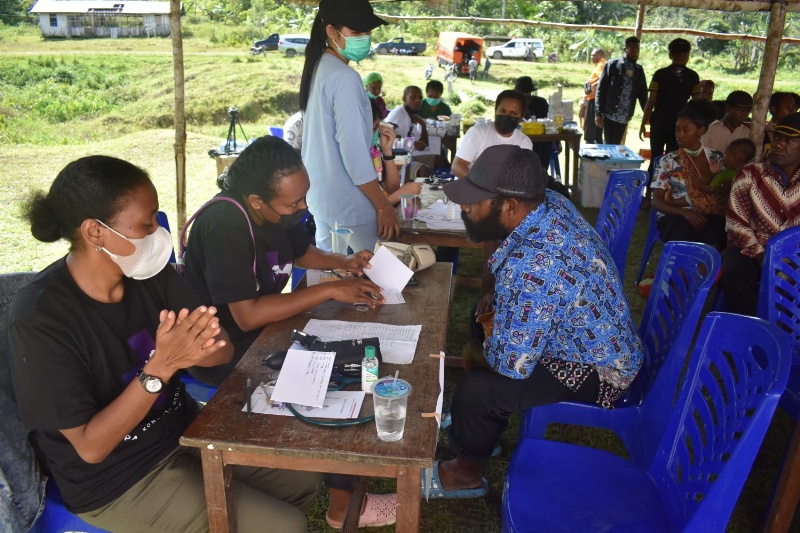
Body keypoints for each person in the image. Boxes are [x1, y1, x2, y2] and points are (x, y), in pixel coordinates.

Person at [8, 155, 321, 533]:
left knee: (304, 478)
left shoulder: (150, 275)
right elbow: (91, 447)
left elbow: (219, 348)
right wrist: (160, 368)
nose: (158, 234)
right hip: (117, 478)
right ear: (95, 232)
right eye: (145, 224)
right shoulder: (41, 319)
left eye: (156, 219)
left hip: (181, 430)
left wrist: (194, 349)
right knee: (284, 526)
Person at [182, 137, 397, 529]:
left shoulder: (280, 216)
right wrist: (329, 287)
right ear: (256, 201)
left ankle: (347, 487)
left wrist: (343, 262)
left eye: (304, 199)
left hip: (267, 330)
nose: (303, 208)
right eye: (293, 204)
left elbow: (299, 252)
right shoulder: (224, 224)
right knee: (334, 380)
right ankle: (344, 505)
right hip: (225, 350)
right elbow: (245, 316)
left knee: (352, 358)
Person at [430, 145, 643, 498]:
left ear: (510, 206)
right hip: (594, 340)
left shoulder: (533, 267)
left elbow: (511, 366)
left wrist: (477, 352)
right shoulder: (549, 203)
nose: (464, 206)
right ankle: (478, 432)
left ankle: (464, 474)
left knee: (477, 390)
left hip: (599, 371)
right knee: (482, 314)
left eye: (474, 200)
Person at [299, 0, 400, 253]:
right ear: (332, 32)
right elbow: (354, 155)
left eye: (367, 32)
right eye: (357, 32)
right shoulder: (345, 78)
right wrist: (383, 206)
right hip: (351, 203)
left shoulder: (319, 67)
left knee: (332, 278)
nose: (364, 38)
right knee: (378, 278)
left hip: (323, 198)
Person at [721, 112, 800, 316]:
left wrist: (789, 261)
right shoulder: (750, 175)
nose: (779, 144)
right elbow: (736, 223)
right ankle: (752, 322)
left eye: (789, 140)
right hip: (752, 249)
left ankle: (787, 326)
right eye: (778, 138)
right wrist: (763, 256)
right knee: (735, 272)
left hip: (794, 254)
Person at [650, 101, 728, 251]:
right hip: (675, 216)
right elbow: (657, 202)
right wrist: (683, 211)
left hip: (709, 214)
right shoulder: (669, 161)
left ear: (701, 131)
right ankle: (679, 274)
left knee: (718, 232)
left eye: (685, 130)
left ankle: (707, 273)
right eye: (677, 129)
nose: (679, 134)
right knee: (684, 231)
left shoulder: (716, 158)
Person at [639, 38, 700, 176]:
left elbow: (651, 102)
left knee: (656, 157)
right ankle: (668, 191)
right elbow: (696, 103)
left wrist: (643, 122)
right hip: (680, 125)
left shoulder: (660, 74)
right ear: (687, 55)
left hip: (659, 122)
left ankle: (649, 191)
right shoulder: (693, 76)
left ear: (670, 55)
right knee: (673, 158)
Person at [451, 90, 533, 179]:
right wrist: (481, 184)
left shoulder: (524, 142)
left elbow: (520, 175)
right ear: (495, 111)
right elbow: (458, 166)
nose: (506, 116)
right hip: (470, 186)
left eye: (513, 113)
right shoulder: (478, 132)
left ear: (521, 117)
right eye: (502, 111)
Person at [595, 36, 648, 145]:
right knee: (609, 145)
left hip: (625, 117)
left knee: (616, 145)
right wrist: (598, 112)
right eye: (632, 49)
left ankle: (613, 162)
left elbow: (643, 95)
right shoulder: (612, 64)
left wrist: (648, 115)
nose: (635, 53)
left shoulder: (638, 70)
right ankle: (607, 162)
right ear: (625, 49)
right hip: (610, 113)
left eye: (637, 50)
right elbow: (601, 89)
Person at [370, 99, 422, 205]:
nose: (375, 133)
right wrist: (401, 193)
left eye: (377, 128)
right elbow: (370, 210)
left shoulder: (373, 154)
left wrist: (387, 152)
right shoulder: (354, 159)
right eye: (373, 128)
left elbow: (392, 188)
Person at [513, 76, 552, 171]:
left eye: (527, 93)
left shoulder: (541, 102)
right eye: (523, 93)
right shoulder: (514, 103)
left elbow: (548, 121)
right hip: (518, 137)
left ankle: (541, 172)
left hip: (539, 138)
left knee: (544, 145)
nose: (526, 96)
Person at [386, 85, 429, 151]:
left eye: (420, 98)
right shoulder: (398, 113)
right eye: (413, 97)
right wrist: (412, 143)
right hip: (394, 156)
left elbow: (424, 145)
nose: (418, 101)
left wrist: (423, 124)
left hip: (407, 155)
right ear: (404, 99)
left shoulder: (411, 115)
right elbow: (385, 133)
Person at [764, 92, 799, 156]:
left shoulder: (796, 132)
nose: (793, 111)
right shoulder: (763, 133)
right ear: (774, 109)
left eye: (794, 108)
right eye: (788, 107)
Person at [583, 48, 606, 144]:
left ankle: (590, 145)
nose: (591, 57)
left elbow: (603, 78)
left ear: (600, 55)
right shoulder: (600, 64)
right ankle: (597, 143)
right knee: (597, 127)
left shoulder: (601, 64)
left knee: (590, 125)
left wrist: (592, 85)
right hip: (594, 98)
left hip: (594, 99)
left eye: (593, 55)